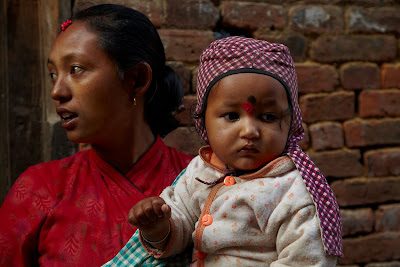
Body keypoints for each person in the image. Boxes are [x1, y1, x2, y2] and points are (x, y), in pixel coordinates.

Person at [0, 4, 193, 266]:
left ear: (135, 79)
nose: (56, 91)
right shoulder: (39, 188)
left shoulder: (200, 183)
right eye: (53, 74)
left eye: (76, 69)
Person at [124, 36, 343, 266]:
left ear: (291, 123)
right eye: (232, 116)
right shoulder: (200, 171)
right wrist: (159, 227)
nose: (249, 131)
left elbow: (306, 260)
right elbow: (183, 220)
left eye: (268, 117)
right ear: (203, 120)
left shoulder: (293, 191)